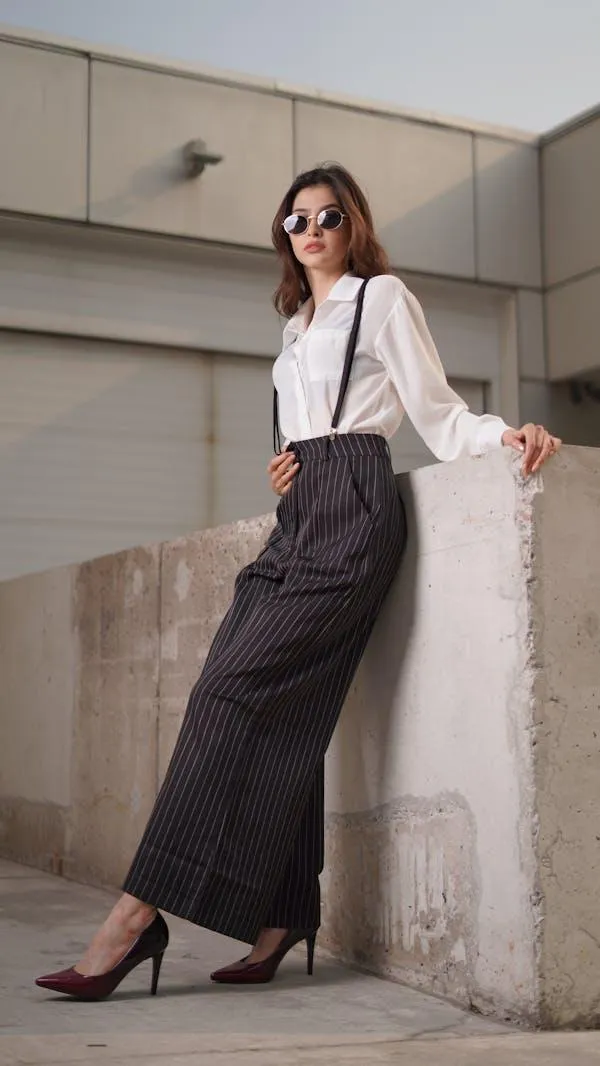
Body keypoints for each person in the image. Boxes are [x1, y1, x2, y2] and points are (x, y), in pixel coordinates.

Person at [35, 163, 561, 1000]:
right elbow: (308, 417)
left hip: (354, 513)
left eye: (327, 217)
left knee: (227, 697)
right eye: (296, 220)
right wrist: (288, 469)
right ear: (284, 235)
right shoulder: (294, 326)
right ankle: (282, 912)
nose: (311, 231)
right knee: (276, 706)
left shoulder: (381, 299)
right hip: (299, 515)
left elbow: (439, 412)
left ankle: (135, 918)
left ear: (352, 225)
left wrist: (508, 436)